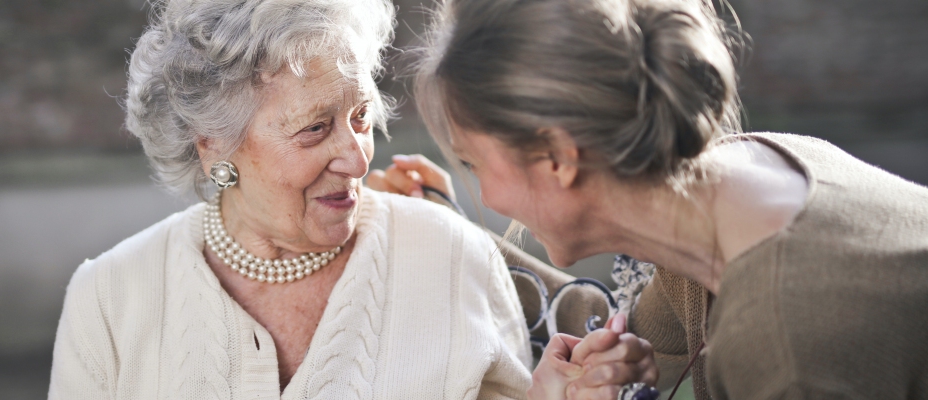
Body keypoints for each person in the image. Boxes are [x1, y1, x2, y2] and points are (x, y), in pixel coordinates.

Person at [47, 0, 657, 399]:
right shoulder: (109, 298)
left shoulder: (449, 255)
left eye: (361, 116)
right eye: (315, 127)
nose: (358, 156)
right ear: (213, 146)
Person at [391, 0, 928, 398]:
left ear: (557, 157)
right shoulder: (743, 181)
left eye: (474, 164)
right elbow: (605, 327)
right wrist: (447, 231)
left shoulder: (785, 348)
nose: (484, 193)